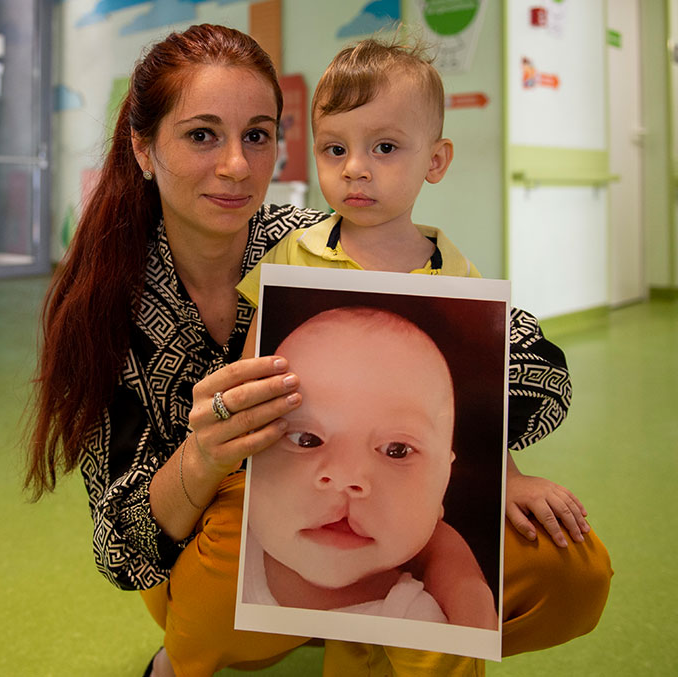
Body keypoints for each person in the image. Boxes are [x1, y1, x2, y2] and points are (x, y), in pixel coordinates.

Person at [24, 24, 610, 677]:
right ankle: (203, 644)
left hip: (383, 513)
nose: (236, 166)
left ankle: (367, 625)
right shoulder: (112, 301)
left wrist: (474, 448)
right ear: (143, 148)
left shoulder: (336, 236)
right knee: (233, 522)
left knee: (564, 563)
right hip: (212, 545)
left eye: (257, 134)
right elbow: (120, 548)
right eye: (201, 134)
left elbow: (535, 360)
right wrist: (202, 457)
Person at [236, 35, 610, 674]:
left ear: (435, 160)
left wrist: (510, 480)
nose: (355, 167)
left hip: (397, 503)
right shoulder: (292, 258)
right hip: (296, 484)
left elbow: (462, 412)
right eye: (336, 148)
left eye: (384, 147)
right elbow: (254, 377)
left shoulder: (457, 276)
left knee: (449, 597)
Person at [244, 306, 497, 631]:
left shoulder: (417, 621)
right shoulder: (222, 543)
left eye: (397, 450)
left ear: (443, 484)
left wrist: (471, 594)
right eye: (306, 438)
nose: (347, 476)